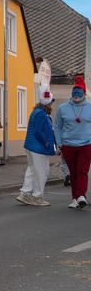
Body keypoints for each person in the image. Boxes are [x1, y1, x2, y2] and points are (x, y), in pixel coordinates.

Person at [54, 75, 91, 209]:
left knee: (82, 171)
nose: (76, 95)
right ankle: (75, 198)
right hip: (68, 145)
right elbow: (57, 126)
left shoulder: (90, 107)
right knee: (73, 173)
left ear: (84, 93)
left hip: (86, 145)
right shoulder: (63, 108)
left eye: (79, 92)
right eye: (74, 92)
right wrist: (60, 143)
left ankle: (81, 195)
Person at [17, 85, 56, 206]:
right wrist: (46, 142)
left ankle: (24, 193)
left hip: (32, 146)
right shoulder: (41, 114)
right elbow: (38, 131)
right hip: (39, 147)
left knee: (32, 170)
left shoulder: (37, 112)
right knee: (41, 171)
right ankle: (37, 196)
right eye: (52, 101)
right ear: (48, 103)